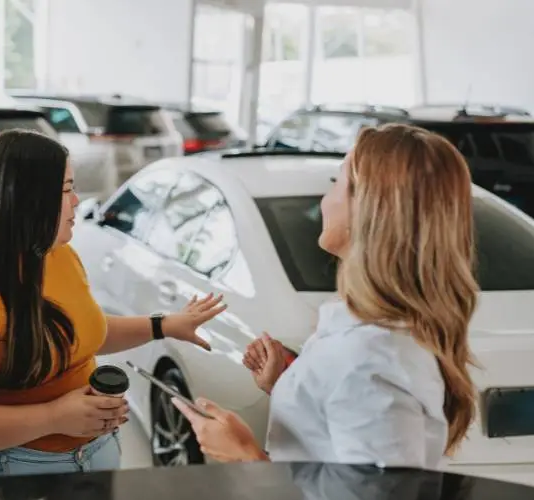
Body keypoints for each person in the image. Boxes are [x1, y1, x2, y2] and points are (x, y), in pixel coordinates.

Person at [0, 129, 226, 477]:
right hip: (8, 470)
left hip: (95, 453)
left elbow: (80, 334)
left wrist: (162, 325)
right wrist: (56, 417)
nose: (77, 200)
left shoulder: (57, 255)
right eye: (65, 190)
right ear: (24, 200)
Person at [174, 123, 478, 469]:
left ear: (367, 211)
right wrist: (290, 386)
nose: (324, 200)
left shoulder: (367, 360)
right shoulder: (372, 335)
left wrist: (246, 455)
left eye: (338, 185)